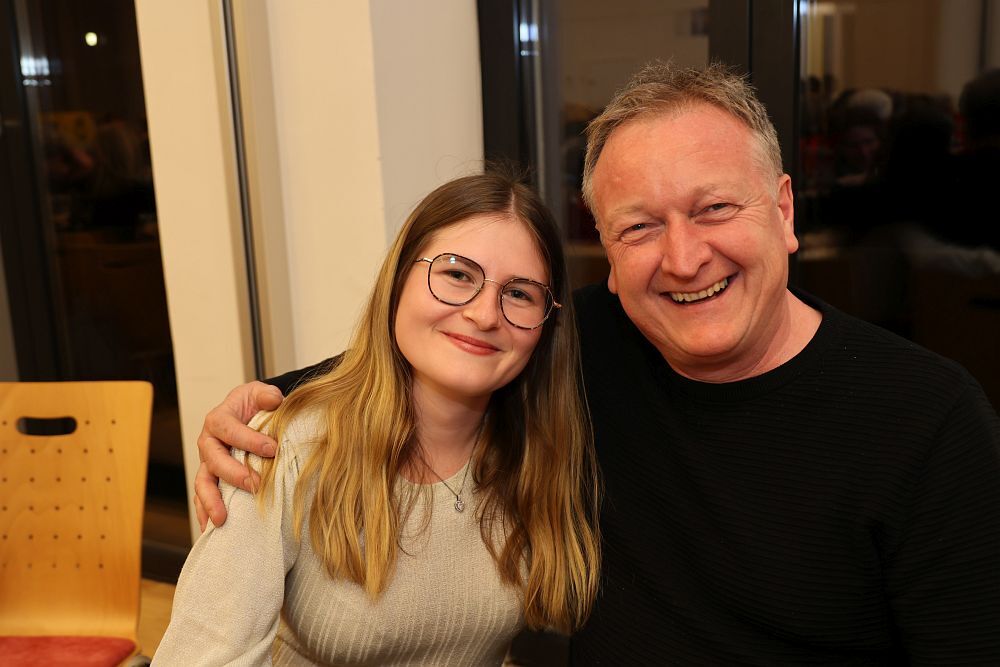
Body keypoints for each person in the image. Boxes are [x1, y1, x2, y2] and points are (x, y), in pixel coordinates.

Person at [195, 63, 1000, 664]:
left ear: (783, 210)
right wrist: (265, 406)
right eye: (639, 226)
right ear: (607, 257)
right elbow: (439, 346)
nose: (683, 257)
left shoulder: (928, 422)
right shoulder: (580, 346)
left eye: (715, 207)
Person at [154, 172, 600, 665]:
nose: (484, 315)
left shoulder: (542, 454)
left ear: (546, 324)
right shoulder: (287, 446)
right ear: (398, 280)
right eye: (457, 275)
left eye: (519, 293)